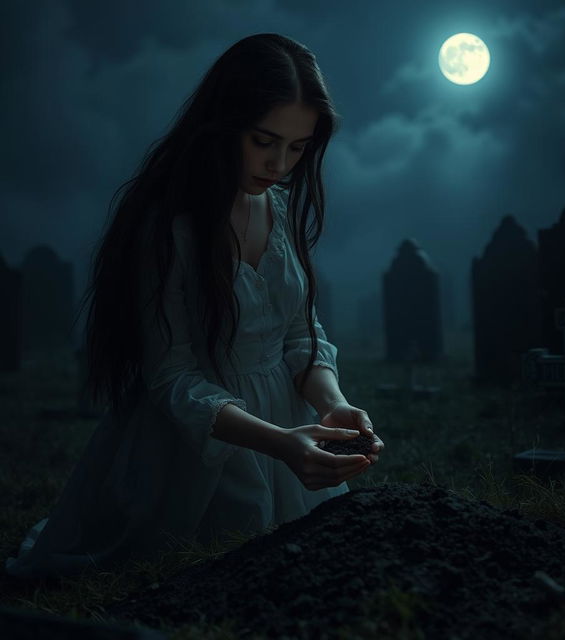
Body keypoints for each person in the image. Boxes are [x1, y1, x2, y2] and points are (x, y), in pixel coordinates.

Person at [5, 33, 384, 580]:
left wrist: (333, 405)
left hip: (288, 424)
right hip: (195, 447)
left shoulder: (277, 209)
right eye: (264, 141)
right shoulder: (170, 225)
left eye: (298, 147)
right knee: (206, 572)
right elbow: (173, 377)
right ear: (224, 123)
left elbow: (299, 335)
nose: (280, 164)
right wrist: (279, 444)